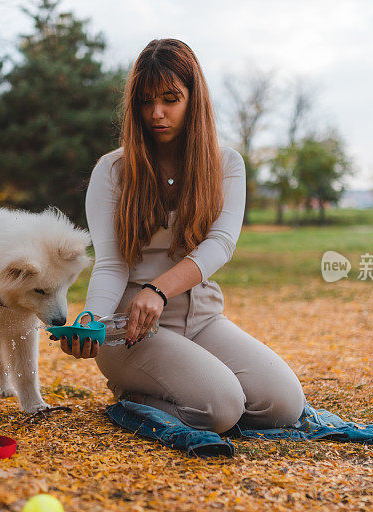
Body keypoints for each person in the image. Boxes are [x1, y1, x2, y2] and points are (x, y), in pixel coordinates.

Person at [51, 38, 306, 435]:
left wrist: (160, 289)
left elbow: (220, 244)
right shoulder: (113, 170)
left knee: (284, 405)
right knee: (221, 409)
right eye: (146, 101)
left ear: (193, 99)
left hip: (201, 317)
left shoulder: (226, 165)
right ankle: (134, 397)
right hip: (130, 329)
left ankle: (175, 392)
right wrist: (93, 319)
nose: (157, 113)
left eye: (171, 99)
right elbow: (112, 261)